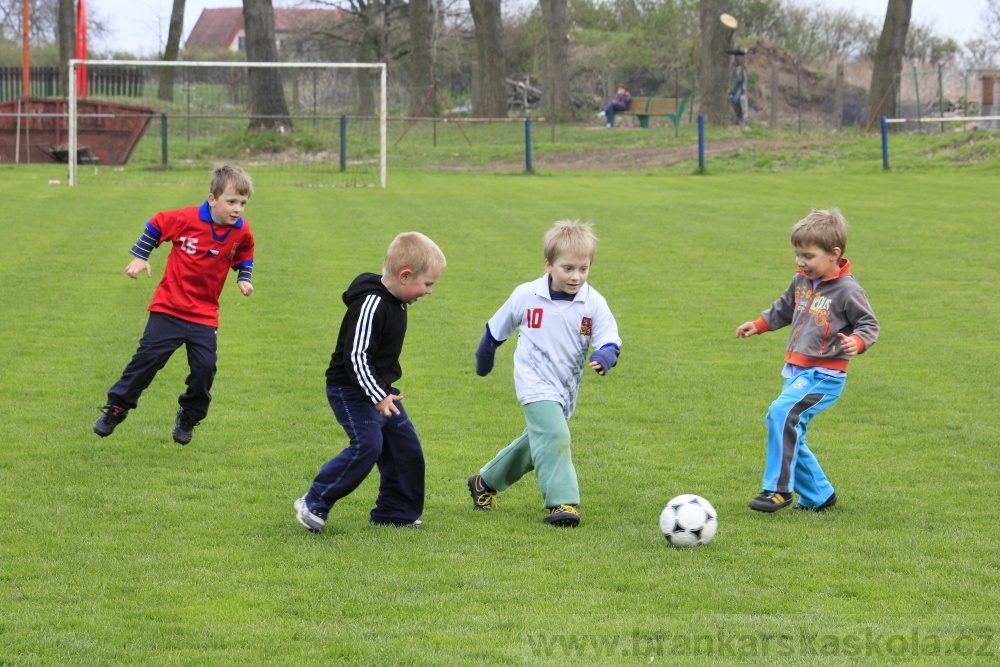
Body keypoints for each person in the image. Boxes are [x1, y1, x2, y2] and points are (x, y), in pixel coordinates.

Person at [469, 221, 622, 527]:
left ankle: (484, 482)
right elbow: (494, 331)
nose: (576, 276)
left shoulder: (594, 302)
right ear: (549, 265)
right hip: (533, 382)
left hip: (565, 388)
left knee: (539, 440)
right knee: (555, 435)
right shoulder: (526, 295)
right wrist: (483, 360)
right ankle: (562, 504)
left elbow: (610, 337)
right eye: (568, 268)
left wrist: (605, 355)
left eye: (583, 268)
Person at [92, 165, 256, 445]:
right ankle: (117, 408)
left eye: (242, 203)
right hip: (168, 309)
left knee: (205, 368)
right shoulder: (186, 219)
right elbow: (156, 224)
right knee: (146, 363)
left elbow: (244, 253)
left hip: (204, 314)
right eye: (231, 201)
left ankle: (189, 415)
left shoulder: (241, 231)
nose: (237, 208)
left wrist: (244, 277)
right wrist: (142, 256)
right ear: (212, 199)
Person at [295, 232, 446, 533]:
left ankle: (395, 512)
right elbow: (356, 357)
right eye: (427, 284)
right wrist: (378, 395)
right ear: (405, 276)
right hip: (350, 391)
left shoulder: (398, 298)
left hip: (380, 391)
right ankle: (314, 501)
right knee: (368, 445)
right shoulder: (370, 304)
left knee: (405, 447)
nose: (429, 291)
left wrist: (383, 392)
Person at [736, 209, 879, 513]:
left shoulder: (848, 290)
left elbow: (869, 325)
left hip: (826, 374)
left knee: (780, 414)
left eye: (808, 256)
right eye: (797, 255)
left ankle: (777, 489)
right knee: (789, 429)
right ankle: (819, 495)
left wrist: (856, 341)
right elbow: (784, 308)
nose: (801, 262)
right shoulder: (802, 280)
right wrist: (758, 325)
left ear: (834, 254)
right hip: (799, 371)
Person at [728, 48, 750, 128]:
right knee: (741, 109)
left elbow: (737, 81)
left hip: (740, 93)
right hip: (740, 93)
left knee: (742, 109)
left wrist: (731, 91)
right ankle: (741, 123)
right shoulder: (741, 68)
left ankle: (744, 124)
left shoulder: (739, 69)